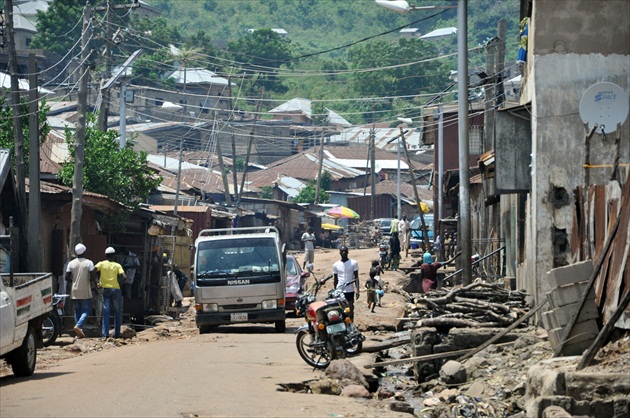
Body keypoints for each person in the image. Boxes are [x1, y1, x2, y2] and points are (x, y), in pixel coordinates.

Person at [65, 243, 96, 338]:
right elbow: (93, 276)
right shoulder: (89, 262)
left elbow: (66, 277)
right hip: (85, 290)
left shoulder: (71, 263)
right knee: (86, 310)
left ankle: (78, 332)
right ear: (84, 252)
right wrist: (90, 281)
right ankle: (79, 326)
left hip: (74, 290)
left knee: (77, 310)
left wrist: (74, 281)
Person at [95, 247, 125, 339]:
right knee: (117, 311)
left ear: (105, 255)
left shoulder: (101, 264)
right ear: (114, 256)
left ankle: (105, 334)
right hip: (116, 289)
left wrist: (97, 282)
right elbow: (124, 277)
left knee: (106, 311)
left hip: (105, 289)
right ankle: (116, 334)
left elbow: (92, 270)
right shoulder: (118, 265)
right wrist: (119, 284)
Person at [332, 245, 360, 320]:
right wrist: (335, 291)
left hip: (350, 290)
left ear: (348, 252)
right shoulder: (336, 265)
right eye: (342, 251)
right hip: (340, 290)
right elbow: (335, 279)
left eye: (345, 251)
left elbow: (356, 277)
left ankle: (351, 324)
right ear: (340, 253)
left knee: (350, 308)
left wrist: (357, 289)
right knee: (341, 310)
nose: (344, 252)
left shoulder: (353, 263)